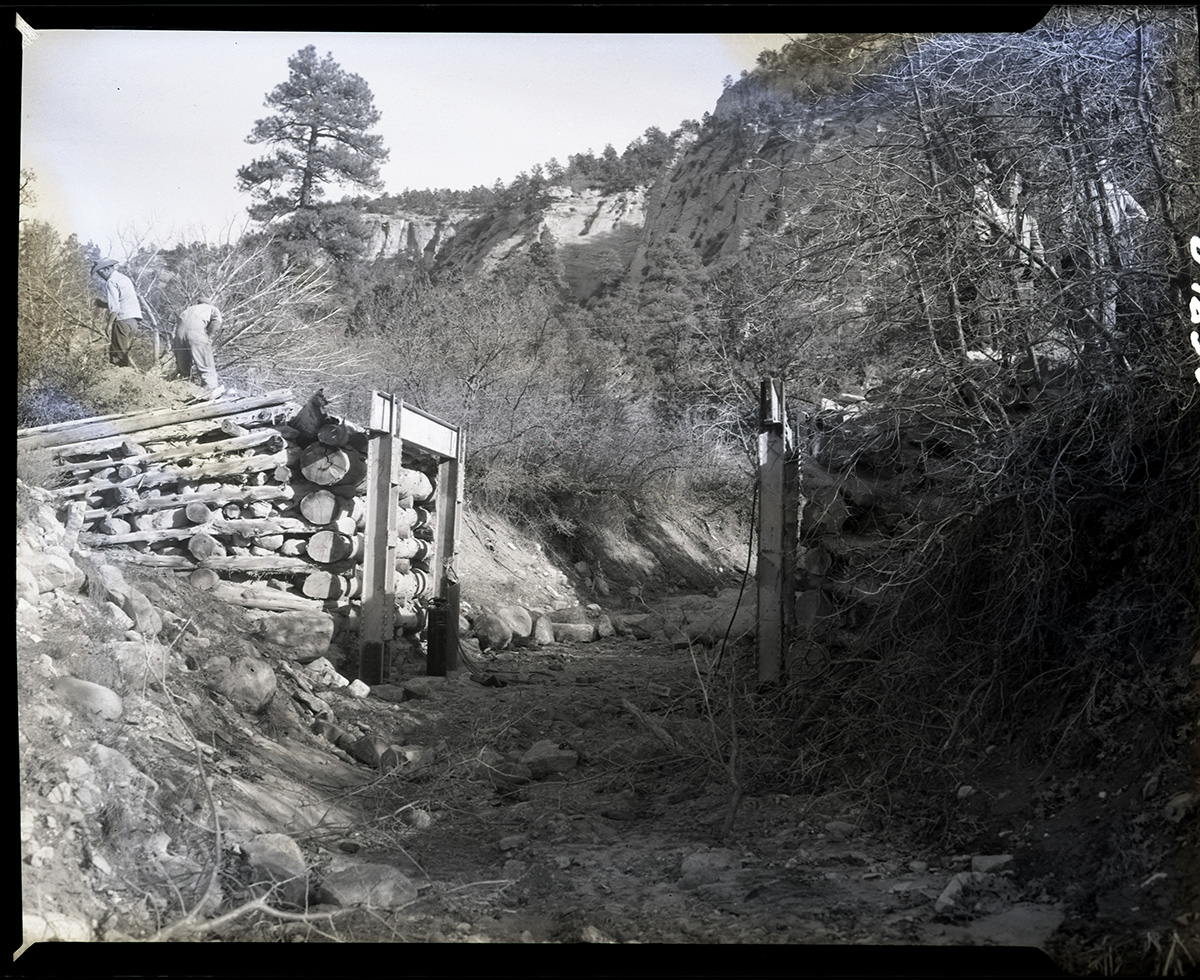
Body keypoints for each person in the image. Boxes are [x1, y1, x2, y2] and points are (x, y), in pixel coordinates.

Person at [91, 258, 145, 367]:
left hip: (122, 321)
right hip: (133, 321)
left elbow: (115, 308)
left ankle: (123, 381)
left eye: (100, 272)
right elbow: (122, 301)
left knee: (118, 356)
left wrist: (109, 325)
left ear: (107, 269)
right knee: (123, 353)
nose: (100, 275)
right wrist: (103, 304)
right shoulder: (124, 279)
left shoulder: (111, 281)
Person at [173, 301, 225, 398]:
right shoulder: (212, 308)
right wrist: (208, 336)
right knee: (206, 366)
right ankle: (210, 391)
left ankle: (181, 390)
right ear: (208, 303)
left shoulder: (187, 310)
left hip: (179, 336)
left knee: (183, 369)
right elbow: (216, 323)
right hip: (196, 334)